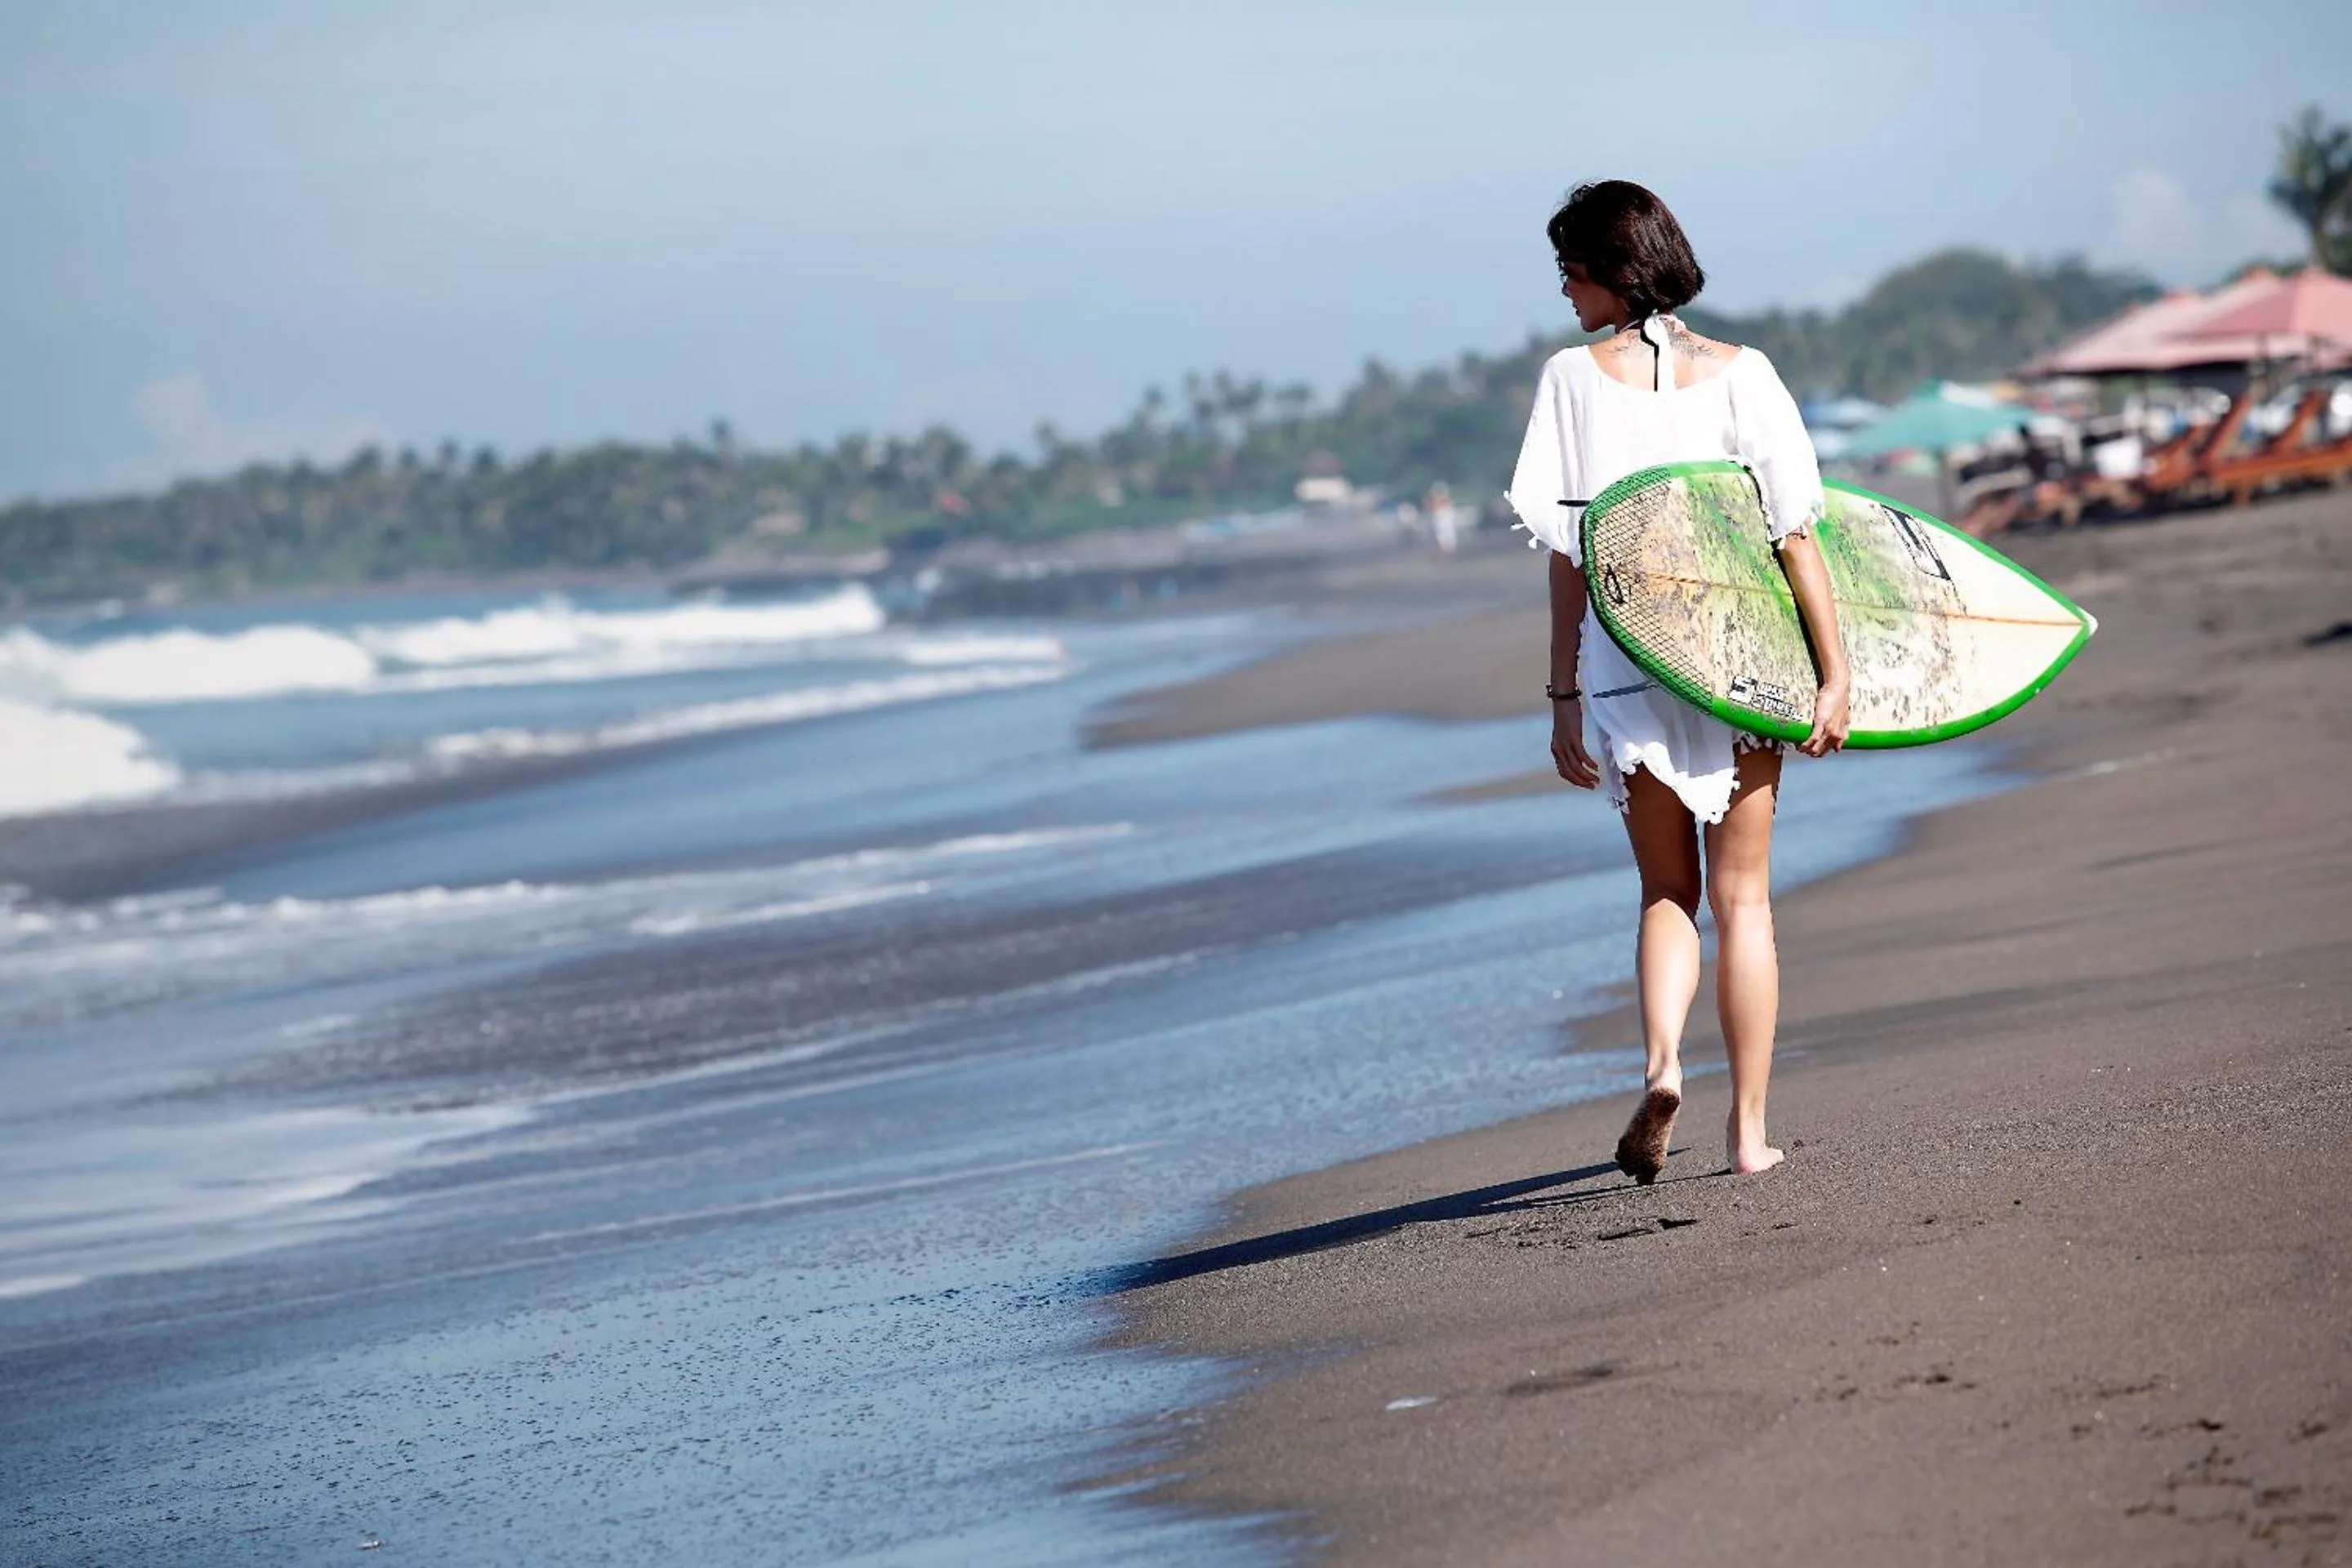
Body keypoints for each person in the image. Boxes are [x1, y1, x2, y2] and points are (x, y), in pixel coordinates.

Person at [1504, 180, 1851, 1183]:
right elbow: (1796, 537)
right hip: (1735, 660)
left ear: (1619, 267)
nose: (1566, 288)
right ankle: (1748, 1138)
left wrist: (1562, 691)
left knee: (1666, 889)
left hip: (1628, 663)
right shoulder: (1749, 376)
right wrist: (1833, 676)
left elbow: (1569, 552)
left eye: (1573, 267)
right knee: (1744, 899)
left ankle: (1664, 1066)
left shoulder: (1571, 380)